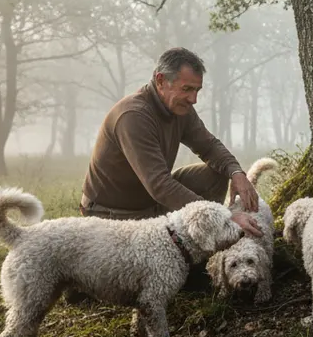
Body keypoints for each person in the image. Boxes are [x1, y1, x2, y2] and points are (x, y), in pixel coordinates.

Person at [81, 47, 261, 240]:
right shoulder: (133, 116)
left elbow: (209, 146)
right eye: (186, 89)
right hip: (114, 212)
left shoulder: (180, 107)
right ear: (160, 81)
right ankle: (206, 234)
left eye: (197, 90)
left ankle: (204, 238)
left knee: (215, 173)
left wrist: (237, 173)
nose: (194, 99)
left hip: (152, 200)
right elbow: (160, 184)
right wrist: (223, 215)